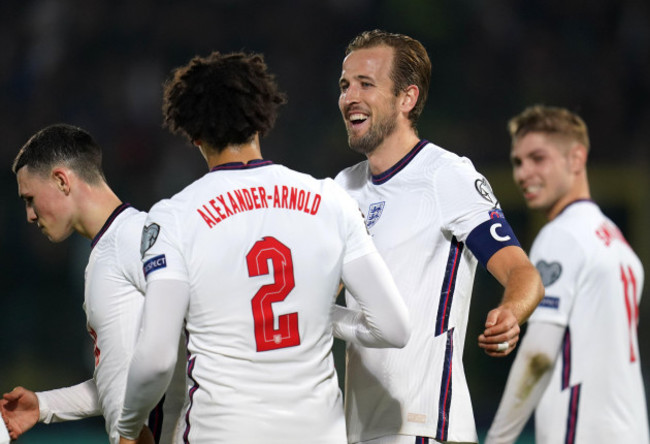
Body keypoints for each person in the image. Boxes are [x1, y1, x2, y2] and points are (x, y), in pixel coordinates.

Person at [115, 51, 411, 444]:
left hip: (224, 431)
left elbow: (155, 359)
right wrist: (320, 312)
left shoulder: (174, 217)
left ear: (193, 135)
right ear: (261, 122)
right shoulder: (331, 201)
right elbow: (393, 327)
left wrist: (127, 427)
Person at [333, 29, 545, 444]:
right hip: (360, 428)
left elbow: (524, 273)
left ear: (406, 98)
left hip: (426, 424)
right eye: (344, 85)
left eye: (365, 84)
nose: (349, 97)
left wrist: (510, 313)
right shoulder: (341, 188)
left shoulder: (445, 176)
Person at [1, 124, 186, 444]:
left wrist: (130, 433)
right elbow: (122, 380)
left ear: (61, 180)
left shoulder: (137, 239)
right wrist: (44, 406)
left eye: (30, 198)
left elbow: (162, 362)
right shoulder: (109, 250)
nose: (30, 215)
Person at [485, 105, 650, 443]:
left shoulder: (561, 235)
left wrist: (498, 439)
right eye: (518, 162)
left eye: (537, 158)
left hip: (584, 431)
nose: (523, 173)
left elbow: (539, 355)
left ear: (576, 159)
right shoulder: (618, 243)